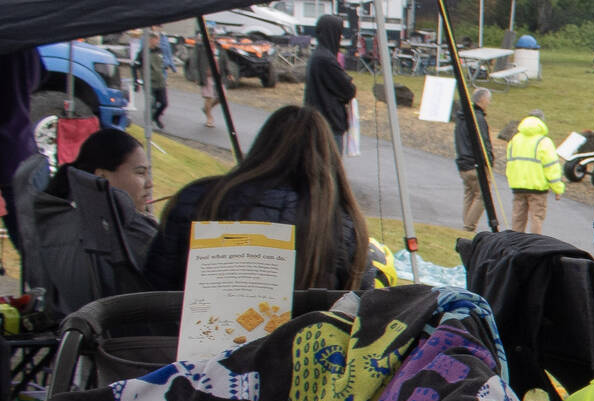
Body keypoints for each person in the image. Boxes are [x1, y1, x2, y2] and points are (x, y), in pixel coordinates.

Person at [147, 105, 369, 291]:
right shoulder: (343, 226)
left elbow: (156, 284)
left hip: (189, 328)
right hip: (301, 332)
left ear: (263, 144)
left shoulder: (199, 197)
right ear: (328, 159)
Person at [18, 127, 158, 317]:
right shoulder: (129, 234)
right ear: (102, 177)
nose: (150, 183)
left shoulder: (59, 218)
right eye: (140, 173)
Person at [504, 112, 564, 235]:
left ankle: (514, 243)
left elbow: (509, 164)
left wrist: (512, 181)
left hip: (518, 186)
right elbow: (551, 167)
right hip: (538, 188)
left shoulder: (515, 140)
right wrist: (558, 189)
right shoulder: (544, 142)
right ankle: (534, 243)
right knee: (536, 218)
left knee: (518, 218)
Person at [452, 86, 494, 231]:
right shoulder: (478, 118)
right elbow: (483, 142)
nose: (488, 103)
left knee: (469, 193)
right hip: (475, 164)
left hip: (463, 162)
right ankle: (469, 226)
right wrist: (488, 162)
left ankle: (466, 224)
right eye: (488, 100)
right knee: (483, 195)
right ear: (482, 100)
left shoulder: (462, 116)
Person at [194, 37, 221, 129]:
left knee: (221, 98)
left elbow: (224, 61)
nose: (211, 43)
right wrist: (197, 77)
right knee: (208, 97)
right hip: (207, 77)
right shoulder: (201, 49)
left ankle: (206, 109)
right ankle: (209, 118)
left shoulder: (218, 50)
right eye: (209, 41)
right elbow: (195, 62)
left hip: (218, 77)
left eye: (213, 41)